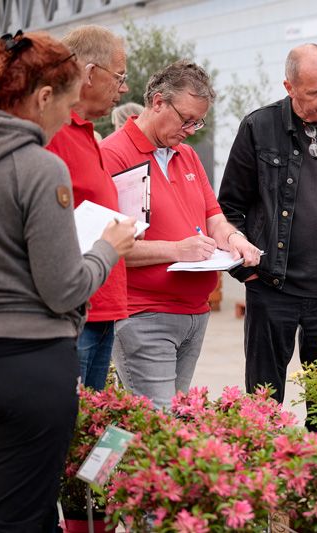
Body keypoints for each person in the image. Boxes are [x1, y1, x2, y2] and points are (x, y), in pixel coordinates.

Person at [0, 30, 135, 531]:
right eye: (64, 104)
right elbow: (63, 288)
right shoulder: (40, 167)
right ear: (43, 97)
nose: (65, 119)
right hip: (26, 367)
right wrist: (109, 248)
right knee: (18, 518)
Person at [218, 43, 317, 409]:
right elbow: (228, 208)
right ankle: (265, 464)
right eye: (315, 92)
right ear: (289, 87)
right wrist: (247, 272)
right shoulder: (259, 128)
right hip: (273, 288)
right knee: (263, 400)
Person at [100, 60, 259, 409]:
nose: (191, 130)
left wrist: (234, 239)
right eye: (186, 119)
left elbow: (213, 216)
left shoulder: (185, 155)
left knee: (171, 426)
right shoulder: (112, 155)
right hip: (144, 314)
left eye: (198, 122)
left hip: (194, 314)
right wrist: (176, 250)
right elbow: (109, 246)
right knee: (159, 423)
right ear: (158, 102)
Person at [46, 25, 130, 390]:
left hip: (103, 307)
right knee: (67, 425)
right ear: (90, 72)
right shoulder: (53, 133)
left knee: (89, 427)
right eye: (120, 76)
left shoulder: (87, 133)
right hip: (75, 311)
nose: (124, 88)